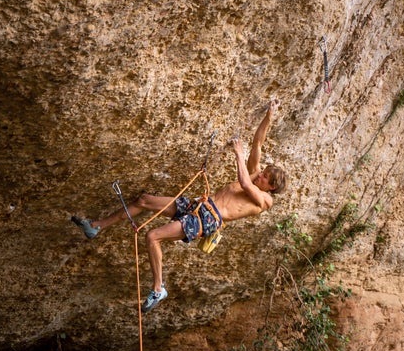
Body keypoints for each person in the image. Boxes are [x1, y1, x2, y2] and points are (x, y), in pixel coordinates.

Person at [72, 100, 286, 312]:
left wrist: (239, 155)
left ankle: (158, 289)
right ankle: (96, 226)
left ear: (272, 188)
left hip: (206, 220)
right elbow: (258, 144)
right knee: (144, 200)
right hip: (198, 205)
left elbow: (244, 183)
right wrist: (269, 116)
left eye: (265, 177)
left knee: (152, 236)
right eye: (263, 172)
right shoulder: (256, 175)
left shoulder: (265, 200)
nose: (260, 175)